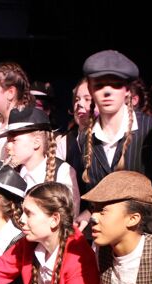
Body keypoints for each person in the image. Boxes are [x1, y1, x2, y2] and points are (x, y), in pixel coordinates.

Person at [78, 50, 152, 193]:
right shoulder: (84, 137)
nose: (107, 92)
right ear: (90, 89)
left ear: (127, 89)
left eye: (115, 84)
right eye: (99, 85)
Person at [2, 105, 81, 214]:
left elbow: (70, 217)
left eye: (14, 140)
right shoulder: (8, 173)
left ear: (36, 142)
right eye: (8, 140)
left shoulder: (62, 172)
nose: (8, 146)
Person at [56, 77, 93, 225]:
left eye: (87, 99)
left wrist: (90, 211)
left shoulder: (105, 141)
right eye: (77, 99)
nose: (79, 104)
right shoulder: (65, 142)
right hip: (72, 222)